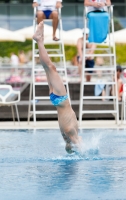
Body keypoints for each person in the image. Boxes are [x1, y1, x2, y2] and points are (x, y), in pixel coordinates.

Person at [33, 21, 82, 153]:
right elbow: (70, 147)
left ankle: (39, 40)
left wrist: (82, 151)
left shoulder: (71, 133)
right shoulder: (68, 136)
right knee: (47, 68)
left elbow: (78, 145)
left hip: (62, 99)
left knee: (51, 67)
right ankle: (39, 40)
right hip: (57, 101)